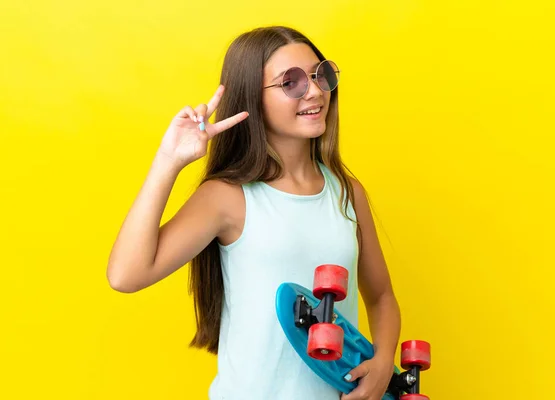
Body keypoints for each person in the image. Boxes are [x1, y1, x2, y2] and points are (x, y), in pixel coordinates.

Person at [107, 25, 401, 400]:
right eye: (290, 82)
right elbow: (126, 275)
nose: (314, 91)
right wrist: (169, 160)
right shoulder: (227, 197)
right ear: (252, 98)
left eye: (319, 75)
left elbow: (382, 297)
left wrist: (382, 363)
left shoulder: (346, 193)